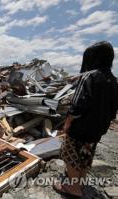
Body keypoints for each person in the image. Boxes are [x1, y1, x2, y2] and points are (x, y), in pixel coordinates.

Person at [53, 41, 118, 198]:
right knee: (86, 154)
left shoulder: (89, 76)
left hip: (81, 127)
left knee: (70, 155)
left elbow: (78, 105)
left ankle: (73, 188)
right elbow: (113, 108)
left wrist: (67, 124)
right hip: (98, 128)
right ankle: (80, 181)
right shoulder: (113, 80)